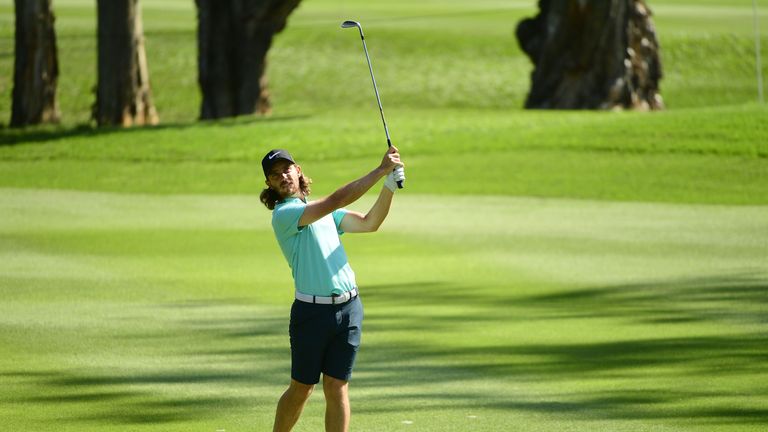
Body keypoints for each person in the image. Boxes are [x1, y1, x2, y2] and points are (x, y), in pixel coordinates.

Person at [260, 147, 405, 432]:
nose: (283, 176)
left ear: (297, 170)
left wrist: (389, 186)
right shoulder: (286, 215)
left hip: (350, 308)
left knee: (337, 385)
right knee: (302, 388)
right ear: (270, 184)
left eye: (286, 169)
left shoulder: (325, 213)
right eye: (275, 175)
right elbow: (337, 198)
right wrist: (380, 170)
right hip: (311, 314)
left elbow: (369, 223)